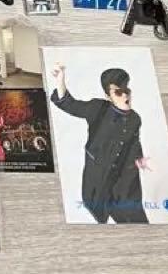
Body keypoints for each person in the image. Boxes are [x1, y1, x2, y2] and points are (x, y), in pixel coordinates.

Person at [49, 63, 150, 223]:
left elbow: (134, 143)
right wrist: (60, 80)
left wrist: (140, 159)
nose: (125, 96)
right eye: (118, 92)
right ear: (108, 96)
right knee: (99, 213)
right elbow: (70, 105)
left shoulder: (135, 118)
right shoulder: (97, 108)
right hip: (99, 178)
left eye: (127, 91)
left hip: (125, 180)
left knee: (135, 219)